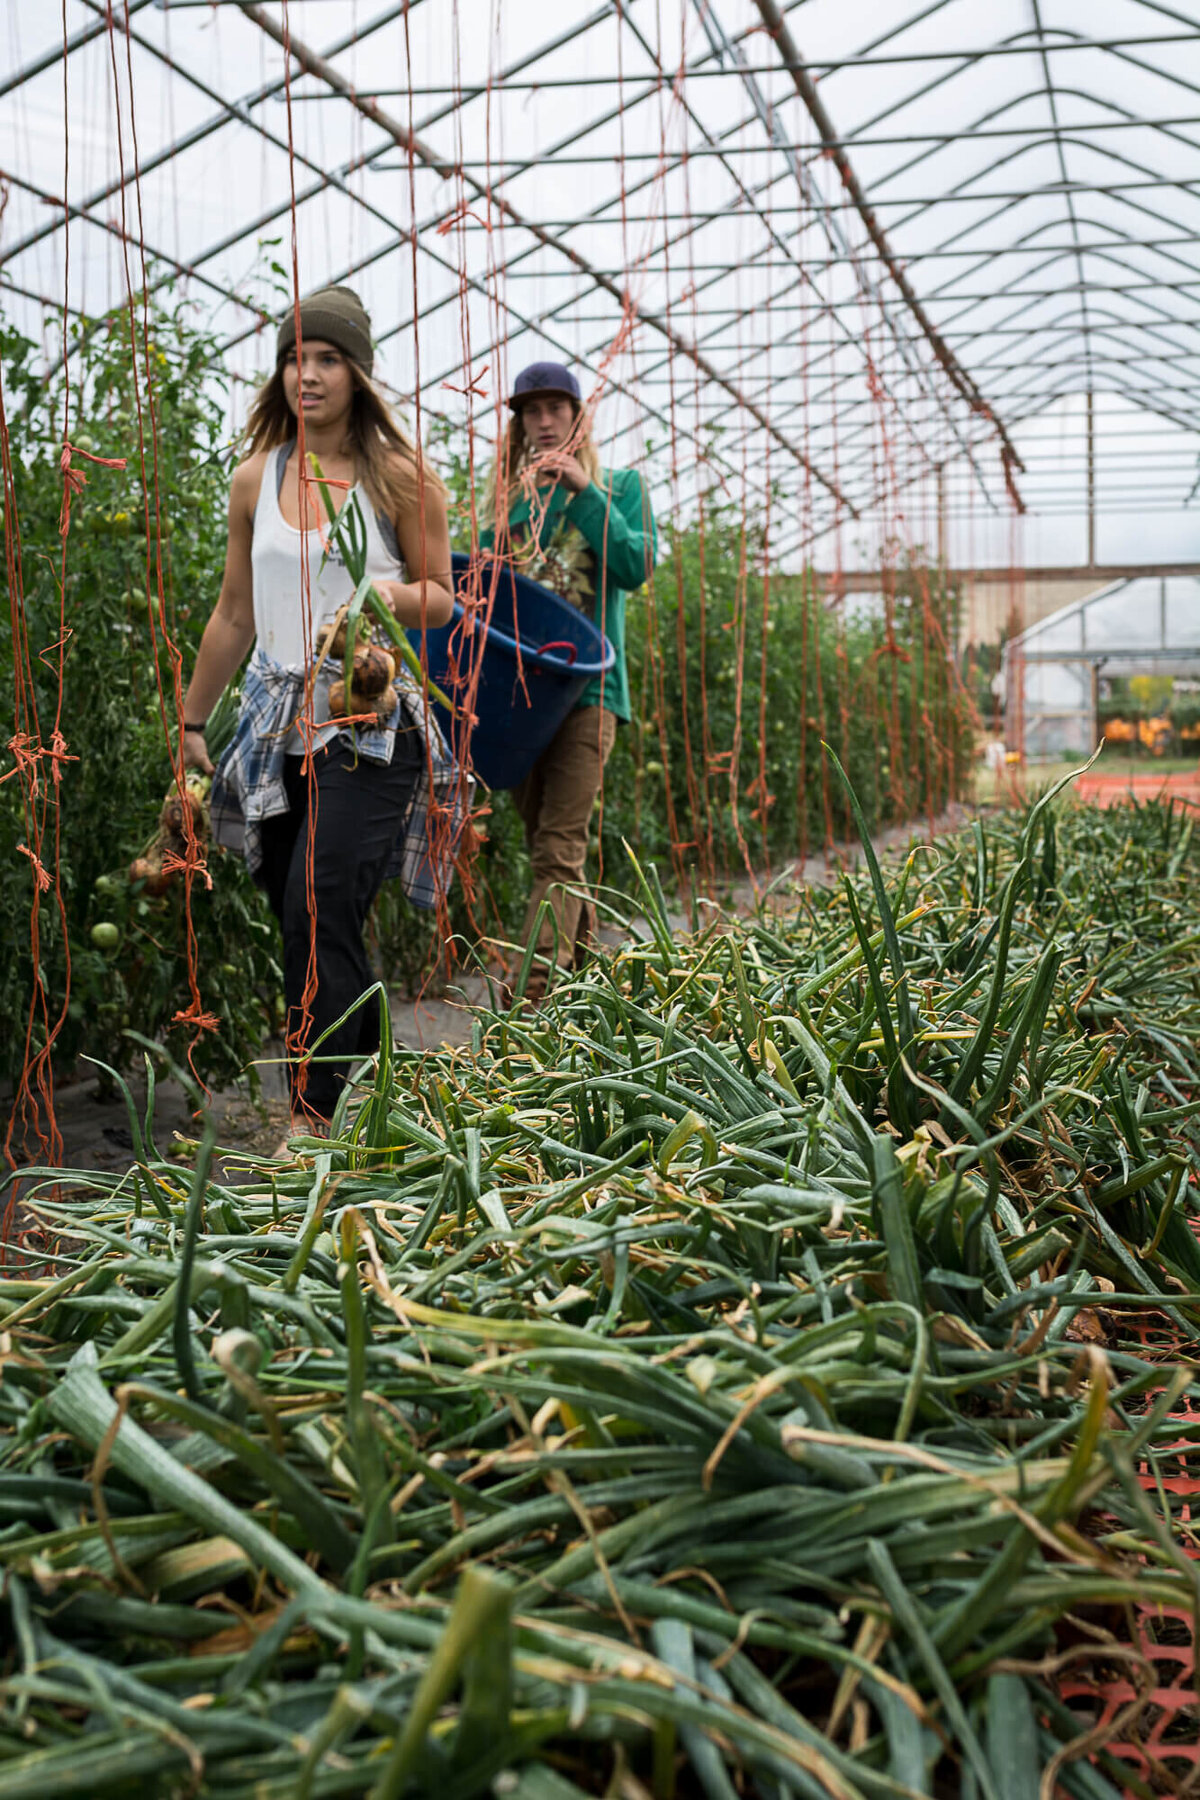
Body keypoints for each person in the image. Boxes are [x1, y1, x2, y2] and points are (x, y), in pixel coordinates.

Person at [180, 284, 456, 1135]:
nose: (308, 374)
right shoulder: (255, 477)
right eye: (296, 357)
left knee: (314, 896)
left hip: (368, 718)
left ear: (359, 373)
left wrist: (375, 601)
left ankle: (312, 1114)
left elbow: (441, 598)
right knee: (295, 906)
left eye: (327, 358)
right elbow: (235, 611)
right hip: (273, 723)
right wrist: (192, 721)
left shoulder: (400, 477)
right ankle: (368, 1049)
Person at [480, 361, 656, 994]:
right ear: (520, 424)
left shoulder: (620, 487)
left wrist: (584, 491)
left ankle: (528, 1002)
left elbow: (636, 565)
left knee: (559, 848)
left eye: (556, 408)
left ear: (580, 417)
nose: (544, 421)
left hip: (590, 694)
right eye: (532, 411)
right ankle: (586, 995)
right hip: (524, 701)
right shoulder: (510, 502)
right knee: (550, 852)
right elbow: (482, 588)